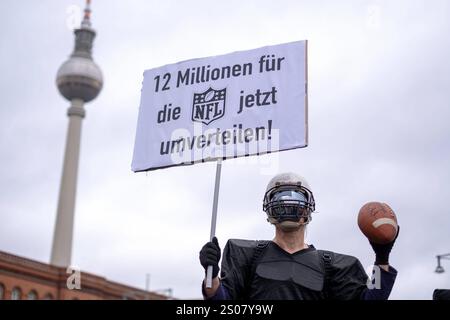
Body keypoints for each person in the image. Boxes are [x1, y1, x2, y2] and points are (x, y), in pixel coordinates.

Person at [199, 172, 398, 300]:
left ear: (307, 208)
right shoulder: (247, 255)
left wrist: (382, 259)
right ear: (270, 207)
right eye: (280, 198)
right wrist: (211, 273)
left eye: (296, 198)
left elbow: (373, 298)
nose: (288, 204)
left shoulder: (333, 265)